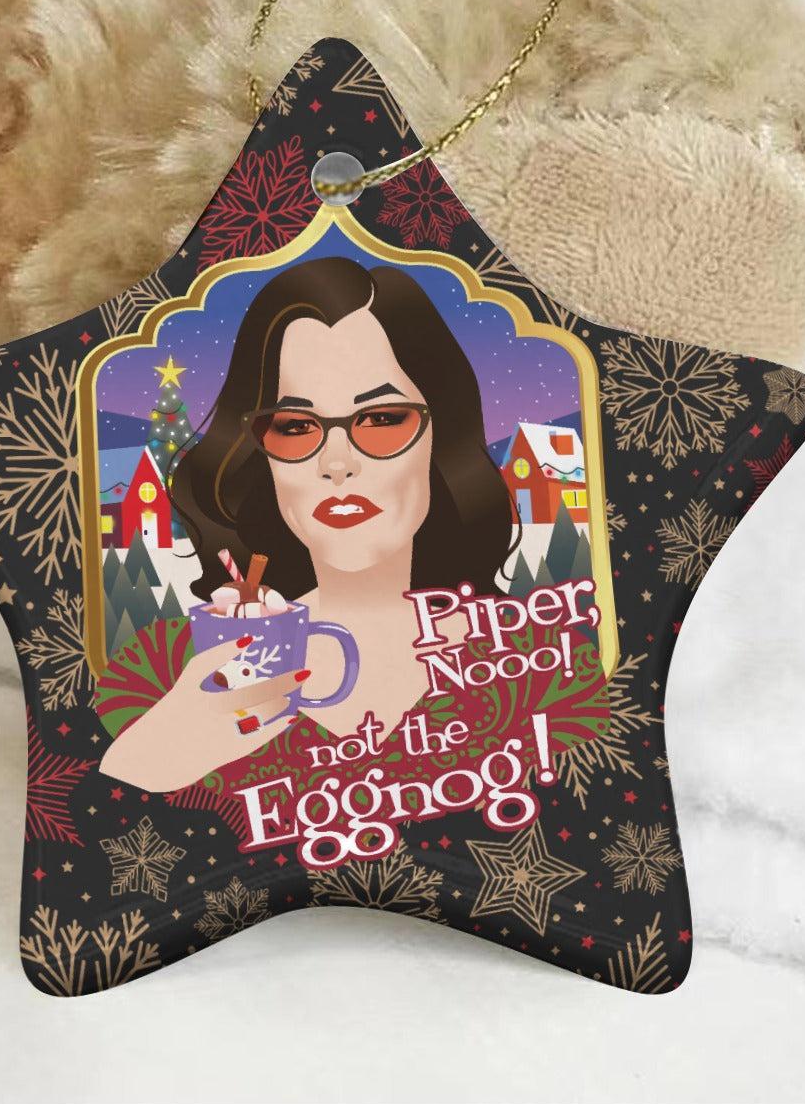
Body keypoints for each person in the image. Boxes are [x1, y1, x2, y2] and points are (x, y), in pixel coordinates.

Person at [98, 255, 525, 792]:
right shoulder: (158, 668)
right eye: (296, 426)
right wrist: (154, 759)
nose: (336, 463)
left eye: (382, 419)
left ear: (444, 434)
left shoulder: (537, 658)